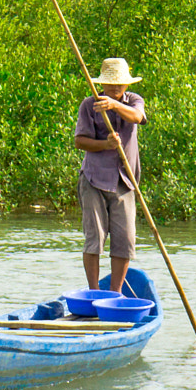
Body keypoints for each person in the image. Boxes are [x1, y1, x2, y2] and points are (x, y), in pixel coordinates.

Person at [73, 57, 146, 294]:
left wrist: (114, 106)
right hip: (94, 179)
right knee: (94, 238)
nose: (115, 88)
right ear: (102, 84)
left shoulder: (133, 100)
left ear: (126, 85)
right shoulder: (88, 104)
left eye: (120, 84)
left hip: (125, 180)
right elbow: (79, 141)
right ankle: (94, 292)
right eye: (111, 84)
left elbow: (136, 117)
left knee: (125, 241)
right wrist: (105, 144)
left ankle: (115, 293)